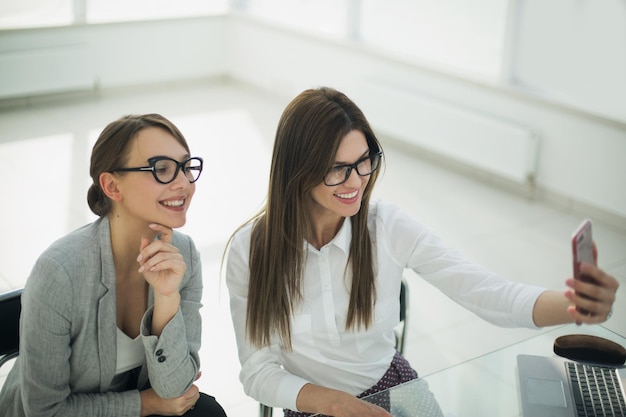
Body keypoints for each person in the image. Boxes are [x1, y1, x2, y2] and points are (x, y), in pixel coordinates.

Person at [224, 87, 619, 417]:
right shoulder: (250, 252)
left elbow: (487, 293)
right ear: (297, 170)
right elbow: (258, 373)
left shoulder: (387, 227)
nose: (356, 181)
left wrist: (572, 306)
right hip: (315, 405)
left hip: (394, 385)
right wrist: (336, 404)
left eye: (364, 162)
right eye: (337, 169)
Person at [0, 114, 227, 417]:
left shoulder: (183, 253)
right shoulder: (59, 273)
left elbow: (176, 390)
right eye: (162, 169)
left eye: (187, 167)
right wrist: (145, 404)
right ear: (111, 186)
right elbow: (45, 411)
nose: (184, 183)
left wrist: (167, 298)